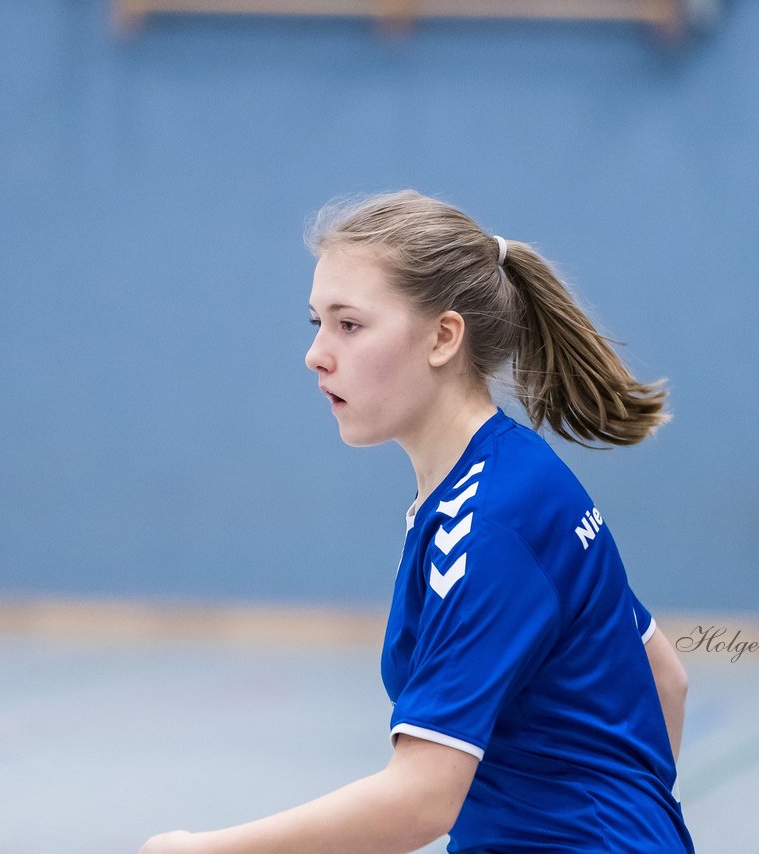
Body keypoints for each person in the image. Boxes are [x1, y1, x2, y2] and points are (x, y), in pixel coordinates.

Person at [140, 189, 693, 853]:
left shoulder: (487, 522)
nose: (316, 353)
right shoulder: (517, 474)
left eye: (349, 324)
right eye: (315, 322)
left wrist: (208, 850)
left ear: (442, 337)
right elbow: (664, 676)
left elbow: (423, 798)